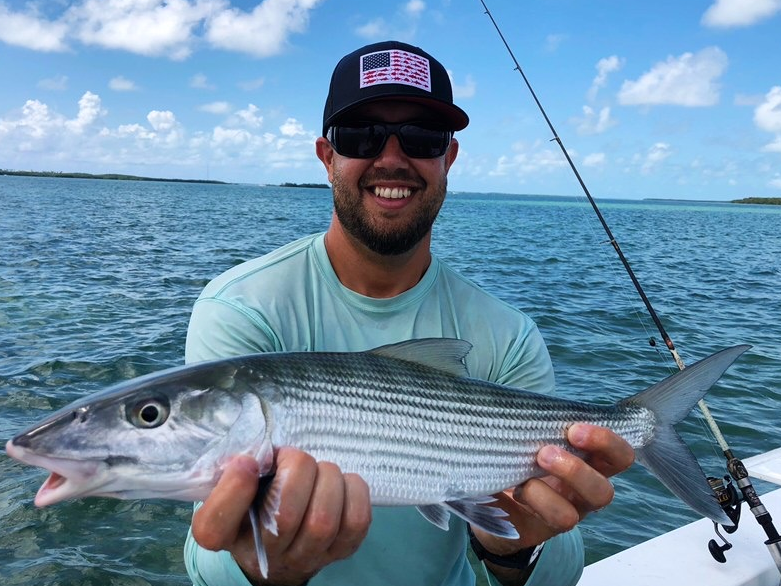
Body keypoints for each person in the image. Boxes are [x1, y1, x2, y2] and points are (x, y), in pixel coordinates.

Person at [183, 40, 634, 586]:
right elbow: (208, 551)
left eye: (421, 137)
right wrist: (258, 569)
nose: (391, 158)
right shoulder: (240, 307)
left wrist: (513, 549)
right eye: (362, 136)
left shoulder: (508, 335)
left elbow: (555, 577)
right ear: (328, 157)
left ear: (449, 157)